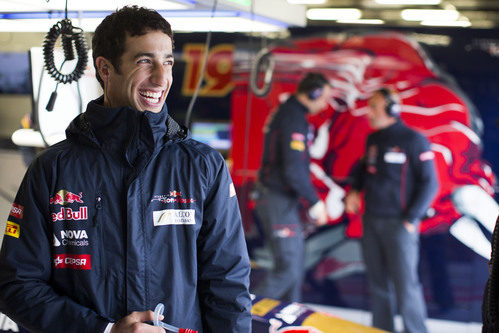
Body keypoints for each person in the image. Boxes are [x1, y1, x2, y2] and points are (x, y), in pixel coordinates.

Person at [0, 6, 251, 333]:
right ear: (104, 68)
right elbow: (16, 285)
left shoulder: (202, 166)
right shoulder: (52, 170)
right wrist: (104, 330)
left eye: (168, 62)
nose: (162, 78)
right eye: (145, 61)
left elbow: (228, 285)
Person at [345, 88, 438, 333]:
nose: (369, 112)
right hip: (372, 220)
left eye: (374, 106)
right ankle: (382, 329)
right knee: (377, 285)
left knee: (406, 286)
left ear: (392, 109)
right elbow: (364, 170)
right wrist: (355, 190)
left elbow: (431, 183)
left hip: (400, 224)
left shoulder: (414, 140)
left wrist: (410, 219)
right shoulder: (373, 140)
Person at [253, 72, 331, 302]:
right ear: (313, 93)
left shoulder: (292, 114)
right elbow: (293, 170)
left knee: (294, 270)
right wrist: (315, 202)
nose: (325, 104)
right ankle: (238, 321)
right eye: (324, 97)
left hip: (281, 200)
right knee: (287, 270)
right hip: (276, 199)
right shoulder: (293, 118)